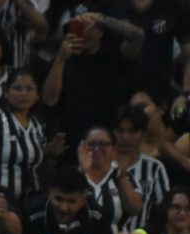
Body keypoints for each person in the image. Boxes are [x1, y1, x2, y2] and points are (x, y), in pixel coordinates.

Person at [41, 11, 143, 163]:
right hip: (73, 146)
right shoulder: (63, 63)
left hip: (110, 144)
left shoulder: (115, 56)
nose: (82, 30)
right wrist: (61, 58)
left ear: (100, 32)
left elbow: (137, 35)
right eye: (75, 27)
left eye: (86, 26)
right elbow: (49, 100)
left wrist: (101, 18)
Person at [0, 69, 55, 200]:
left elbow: (33, 161)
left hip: (30, 202)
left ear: (37, 94)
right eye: (17, 88)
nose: (24, 94)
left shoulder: (37, 125)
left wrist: (49, 152)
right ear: (6, 92)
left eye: (30, 88)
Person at [78, 126, 143, 234]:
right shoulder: (74, 175)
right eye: (92, 144)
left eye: (103, 144)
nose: (97, 149)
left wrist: (121, 176)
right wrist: (82, 172)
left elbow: (134, 209)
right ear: (82, 146)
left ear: (113, 149)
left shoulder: (125, 177)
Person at [114, 105, 169, 234]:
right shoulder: (102, 165)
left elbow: (165, 210)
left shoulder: (155, 169)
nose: (125, 137)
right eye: (120, 131)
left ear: (142, 134)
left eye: (131, 131)